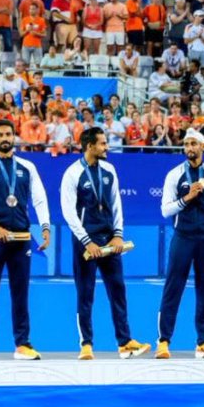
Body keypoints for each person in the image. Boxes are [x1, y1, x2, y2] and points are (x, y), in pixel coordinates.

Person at [59, 127, 151, 360]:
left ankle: (125, 342)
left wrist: (118, 234)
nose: (106, 147)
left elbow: (116, 204)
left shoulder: (110, 170)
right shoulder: (72, 174)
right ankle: (87, 344)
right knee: (86, 292)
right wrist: (87, 241)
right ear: (90, 146)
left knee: (118, 290)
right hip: (85, 242)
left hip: (109, 239)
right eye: (102, 144)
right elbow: (68, 212)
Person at [0, 118, 52, 360]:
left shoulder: (27, 167)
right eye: (0, 135)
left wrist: (45, 226)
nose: (5, 138)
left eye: (8, 134)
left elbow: (39, 198)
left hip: (20, 238)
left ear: (14, 137)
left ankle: (22, 344)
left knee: (20, 292)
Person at [156, 128, 204, 359]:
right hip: (183, 237)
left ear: (203, 147)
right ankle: (163, 341)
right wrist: (186, 198)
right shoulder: (174, 175)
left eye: (193, 144)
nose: (189, 148)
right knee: (173, 288)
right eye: (186, 144)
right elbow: (165, 210)